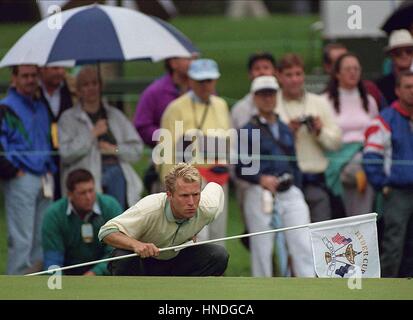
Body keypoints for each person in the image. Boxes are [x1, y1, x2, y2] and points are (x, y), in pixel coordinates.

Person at [236, 76, 314, 277]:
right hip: (261, 191)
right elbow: (241, 166)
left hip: (289, 189)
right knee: (262, 248)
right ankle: (262, 293)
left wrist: (296, 184)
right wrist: (261, 179)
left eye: (271, 94)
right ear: (255, 97)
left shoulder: (285, 128)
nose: (267, 98)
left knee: (302, 242)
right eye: (263, 94)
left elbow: (293, 161)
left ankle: (309, 289)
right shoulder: (247, 129)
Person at [98, 163, 229, 276]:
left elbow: (215, 188)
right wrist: (137, 245)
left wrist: (194, 229)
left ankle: (185, 294)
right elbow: (106, 231)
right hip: (144, 262)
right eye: (184, 196)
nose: (191, 202)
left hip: (178, 260)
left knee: (218, 255)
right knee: (122, 257)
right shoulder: (149, 209)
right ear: (169, 195)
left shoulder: (208, 206)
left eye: (195, 194)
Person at [160, 58, 232, 246]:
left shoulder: (221, 105)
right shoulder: (176, 108)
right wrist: (172, 187)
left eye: (209, 80)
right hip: (190, 180)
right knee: (198, 236)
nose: (205, 85)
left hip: (218, 176)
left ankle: (217, 273)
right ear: (190, 80)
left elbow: (228, 142)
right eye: (200, 80)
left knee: (219, 236)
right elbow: (166, 152)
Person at [58, 66, 144, 210]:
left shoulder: (115, 116)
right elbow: (66, 154)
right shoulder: (68, 119)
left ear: (101, 86)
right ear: (78, 90)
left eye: (95, 83)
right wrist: (92, 134)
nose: (91, 88)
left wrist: (114, 149)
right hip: (86, 179)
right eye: (85, 84)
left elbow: (137, 150)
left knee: (117, 219)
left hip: (116, 174)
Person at [0, 65, 55, 275]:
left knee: (41, 236)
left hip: (44, 176)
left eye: (34, 75)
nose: (30, 80)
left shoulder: (41, 105)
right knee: (21, 237)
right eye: (25, 76)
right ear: (14, 78)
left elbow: (49, 138)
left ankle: (33, 282)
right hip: (21, 176)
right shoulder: (6, 107)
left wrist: (49, 167)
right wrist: (12, 170)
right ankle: (15, 285)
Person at [275, 53, 342, 222]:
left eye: (298, 74)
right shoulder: (272, 104)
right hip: (286, 182)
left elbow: (336, 143)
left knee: (321, 236)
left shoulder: (319, 102)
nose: (294, 79)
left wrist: (319, 131)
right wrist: (287, 133)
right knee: (295, 241)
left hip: (316, 181)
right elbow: (266, 146)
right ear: (279, 76)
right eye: (289, 75)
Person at [363, 70, 413, 278]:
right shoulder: (385, 119)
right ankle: (386, 289)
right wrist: (381, 184)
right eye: (408, 87)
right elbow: (371, 156)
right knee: (394, 245)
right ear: (397, 91)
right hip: (397, 190)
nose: (412, 92)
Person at [323, 53, 378, 216]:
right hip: (337, 157)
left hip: (365, 154)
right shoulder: (325, 101)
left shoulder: (369, 101)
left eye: (356, 69)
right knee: (359, 170)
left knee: (366, 168)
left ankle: (361, 222)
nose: (352, 73)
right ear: (337, 73)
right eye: (348, 69)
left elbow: (375, 131)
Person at [42, 169, 122, 275]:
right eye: (82, 193)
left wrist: (95, 273)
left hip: (105, 273)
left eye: (91, 191)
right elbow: (53, 258)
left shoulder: (110, 206)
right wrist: (58, 283)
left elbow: (115, 251)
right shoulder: (54, 215)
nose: (88, 197)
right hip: (68, 275)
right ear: (70, 194)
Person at [133, 56, 194, 193]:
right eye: (187, 59)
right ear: (173, 63)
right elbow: (142, 126)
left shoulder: (201, 90)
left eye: (194, 59)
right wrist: (167, 137)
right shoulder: (154, 93)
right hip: (166, 159)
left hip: (199, 159)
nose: (193, 63)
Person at [39, 66, 75, 199]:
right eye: (54, 68)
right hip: (42, 155)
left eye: (62, 68)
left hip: (68, 153)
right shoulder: (32, 91)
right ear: (42, 68)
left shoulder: (72, 89)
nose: (59, 72)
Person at [323, 42, 387, 110]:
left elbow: (384, 117)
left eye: (347, 58)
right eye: (339, 62)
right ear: (327, 67)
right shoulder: (324, 100)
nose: (351, 70)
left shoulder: (371, 90)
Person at [231, 52, 277, 130]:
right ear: (250, 74)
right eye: (257, 69)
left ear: (274, 71)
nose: (262, 72)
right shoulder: (240, 109)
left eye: (266, 68)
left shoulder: (284, 101)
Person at [376, 29, 413, 105]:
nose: (404, 55)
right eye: (398, 53)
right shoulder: (381, 85)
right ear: (391, 56)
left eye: (408, 51)